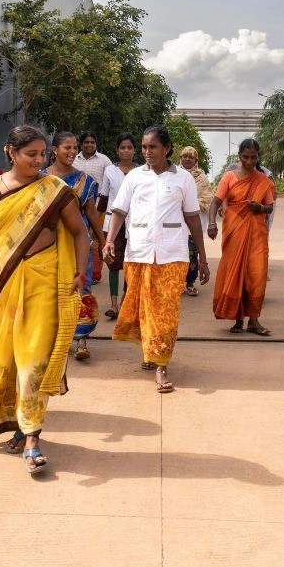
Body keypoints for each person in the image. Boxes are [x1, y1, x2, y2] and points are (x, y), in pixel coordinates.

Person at [0, 125, 88, 474]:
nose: (39, 160)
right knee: (4, 359)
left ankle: (32, 436)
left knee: (34, 361)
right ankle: (15, 424)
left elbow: (79, 232)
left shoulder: (54, 189)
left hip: (45, 281)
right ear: (11, 153)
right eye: (32, 154)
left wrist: (80, 274)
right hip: (4, 283)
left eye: (42, 154)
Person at [105, 125, 210, 393]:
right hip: (138, 252)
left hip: (172, 254)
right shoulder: (134, 177)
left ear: (167, 148)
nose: (147, 152)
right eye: (144, 147)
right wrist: (108, 240)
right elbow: (119, 211)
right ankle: (149, 351)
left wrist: (203, 256)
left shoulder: (183, 178)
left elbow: (192, 218)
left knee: (165, 311)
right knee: (142, 307)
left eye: (152, 147)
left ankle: (161, 365)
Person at [44, 131, 105, 361]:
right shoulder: (40, 178)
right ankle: (53, 338)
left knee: (81, 287)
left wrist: (102, 241)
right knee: (50, 290)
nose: (71, 152)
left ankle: (81, 340)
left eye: (74, 148)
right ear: (54, 150)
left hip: (78, 243)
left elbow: (91, 213)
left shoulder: (85, 181)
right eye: (66, 148)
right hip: (48, 244)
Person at [208, 138, 275, 335]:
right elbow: (215, 202)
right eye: (245, 157)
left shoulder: (263, 180)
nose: (249, 161)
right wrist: (212, 223)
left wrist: (260, 207)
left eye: (253, 157)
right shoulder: (228, 177)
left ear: (258, 157)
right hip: (234, 230)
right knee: (235, 272)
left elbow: (269, 207)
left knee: (256, 273)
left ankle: (254, 319)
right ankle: (238, 318)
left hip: (256, 232)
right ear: (239, 157)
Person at [97, 133, 138, 319]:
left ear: (135, 150)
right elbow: (104, 198)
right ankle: (113, 305)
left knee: (130, 264)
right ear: (117, 150)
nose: (126, 151)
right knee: (112, 263)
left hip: (135, 223)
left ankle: (125, 302)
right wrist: (96, 225)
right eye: (122, 147)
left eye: (129, 147)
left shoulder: (142, 171)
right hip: (112, 222)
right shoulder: (110, 171)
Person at [74, 131, 112, 284]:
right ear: (81, 144)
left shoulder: (104, 161)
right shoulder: (74, 159)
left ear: (96, 144)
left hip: (97, 207)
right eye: (86, 142)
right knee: (79, 238)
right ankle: (78, 270)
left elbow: (108, 184)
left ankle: (95, 273)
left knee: (96, 240)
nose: (89, 145)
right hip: (75, 208)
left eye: (92, 142)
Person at [179, 146, 213, 296]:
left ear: (196, 160)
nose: (187, 159)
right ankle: (176, 282)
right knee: (176, 252)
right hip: (175, 221)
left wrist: (190, 204)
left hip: (193, 221)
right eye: (184, 156)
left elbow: (208, 197)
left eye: (190, 157)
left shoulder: (202, 178)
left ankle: (190, 283)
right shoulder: (173, 174)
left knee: (192, 252)